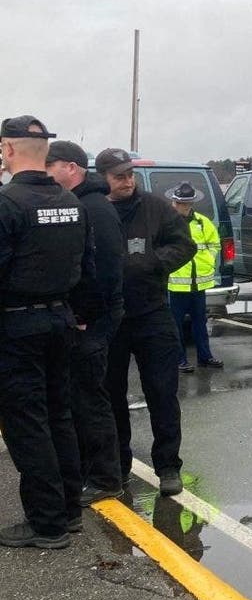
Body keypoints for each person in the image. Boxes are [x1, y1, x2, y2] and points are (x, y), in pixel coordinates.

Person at [0, 116, 95, 548]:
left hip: (18, 324)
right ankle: (69, 509)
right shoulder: (71, 201)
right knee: (60, 415)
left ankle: (47, 523)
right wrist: (80, 313)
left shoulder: (8, 203)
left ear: (8, 150)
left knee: (28, 423)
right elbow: (88, 268)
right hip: (61, 319)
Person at [98, 147, 196, 496]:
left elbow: (185, 245)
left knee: (162, 393)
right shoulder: (94, 208)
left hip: (151, 313)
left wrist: (153, 262)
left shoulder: (155, 207)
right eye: (119, 175)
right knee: (110, 397)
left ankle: (168, 466)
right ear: (103, 178)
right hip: (109, 319)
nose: (127, 181)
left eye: (130, 174)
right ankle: (117, 467)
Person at [44, 140, 126, 506]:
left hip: (93, 321)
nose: (47, 174)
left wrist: (84, 316)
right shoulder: (82, 204)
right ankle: (90, 472)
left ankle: (106, 478)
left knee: (91, 399)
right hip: (86, 318)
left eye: (52, 167)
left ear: (71, 168)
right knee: (80, 397)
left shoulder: (93, 208)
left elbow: (106, 271)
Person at [166, 182, 223, 373]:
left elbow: (215, 245)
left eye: (188, 203)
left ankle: (205, 357)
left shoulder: (202, 222)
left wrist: (207, 261)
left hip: (199, 284)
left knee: (200, 322)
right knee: (176, 326)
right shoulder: (166, 223)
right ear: (174, 202)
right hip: (175, 286)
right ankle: (178, 359)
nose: (185, 206)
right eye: (181, 203)